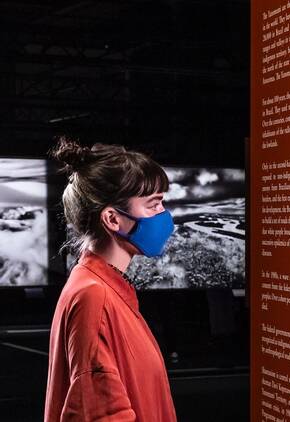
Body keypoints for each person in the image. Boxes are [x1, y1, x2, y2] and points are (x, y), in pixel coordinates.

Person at [44, 137, 177, 421]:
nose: (163, 215)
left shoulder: (99, 286)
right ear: (113, 220)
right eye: (153, 204)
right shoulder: (95, 296)